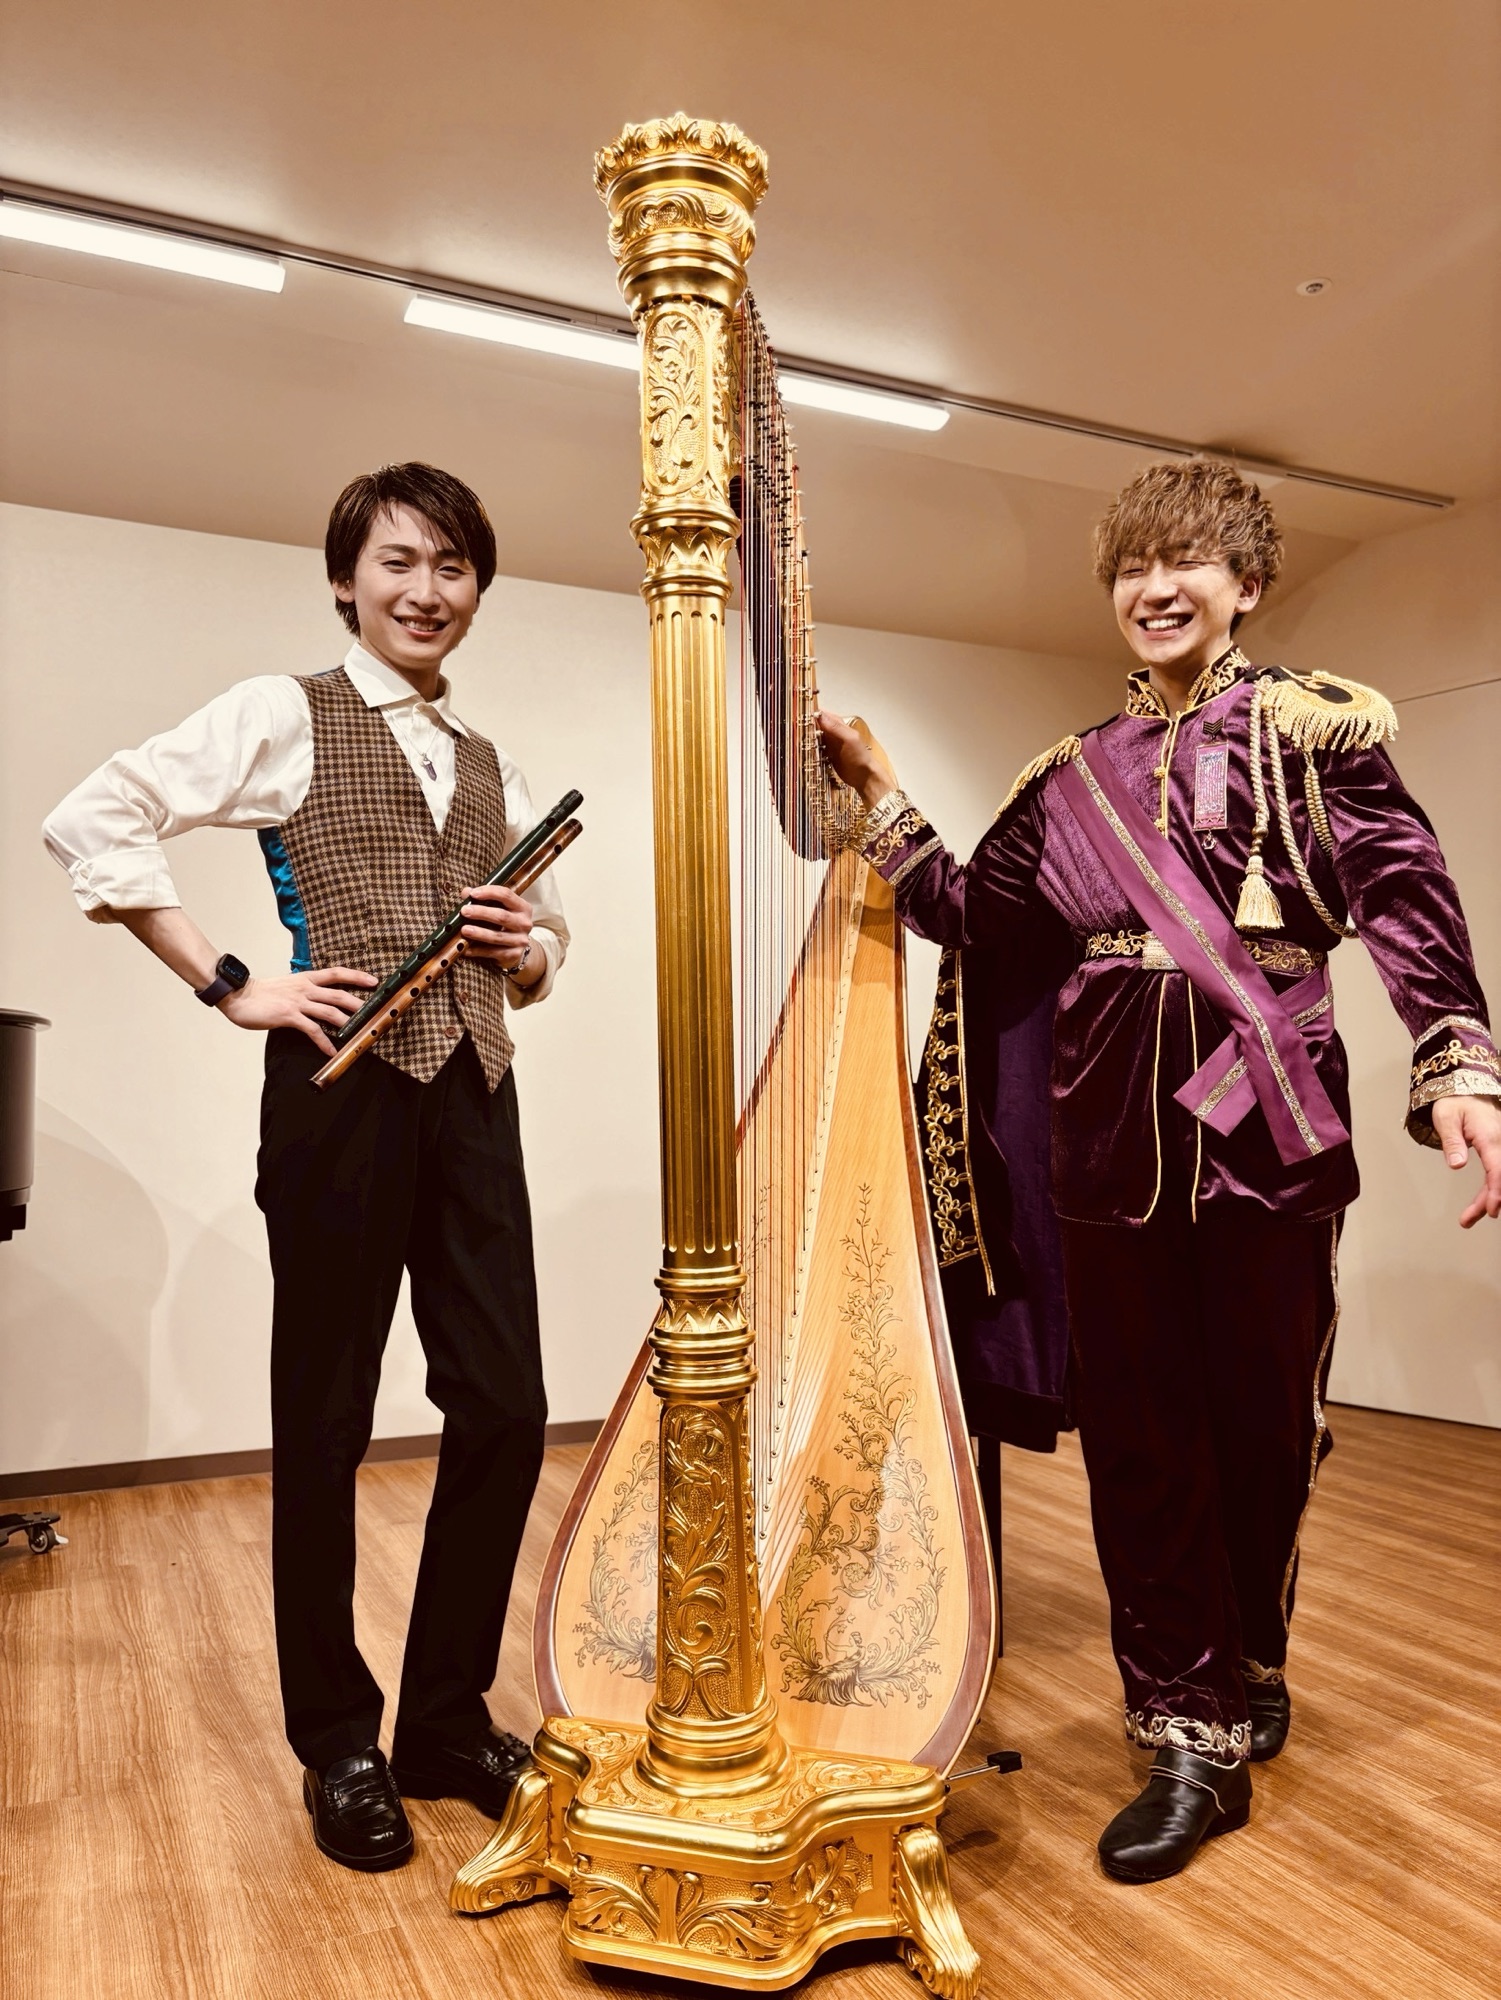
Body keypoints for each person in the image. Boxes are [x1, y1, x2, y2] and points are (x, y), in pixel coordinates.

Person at [819, 457, 1500, 1884]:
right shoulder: (1069, 776)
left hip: (1270, 1135)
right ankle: (1186, 1731)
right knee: (1140, 1442)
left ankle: (1249, 1657)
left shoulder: (1312, 732)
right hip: (1104, 1143)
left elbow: (1403, 890)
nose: (1153, 587)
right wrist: (882, 802)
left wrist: (1456, 1059)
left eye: (1183, 560)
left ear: (1244, 583)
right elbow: (977, 918)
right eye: (1132, 565)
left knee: (1263, 1429)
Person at [44, 462, 570, 1873]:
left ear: (477, 589)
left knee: (507, 1407)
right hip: (338, 1094)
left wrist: (525, 948)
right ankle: (338, 1740)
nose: (425, 590)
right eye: (399, 561)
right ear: (347, 579)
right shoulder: (285, 713)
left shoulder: (496, 766)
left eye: (452, 566)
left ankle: (445, 1722)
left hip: (476, 1096)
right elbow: (95, 815)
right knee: (326, 1415)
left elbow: (547, 944)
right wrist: (231, 982)